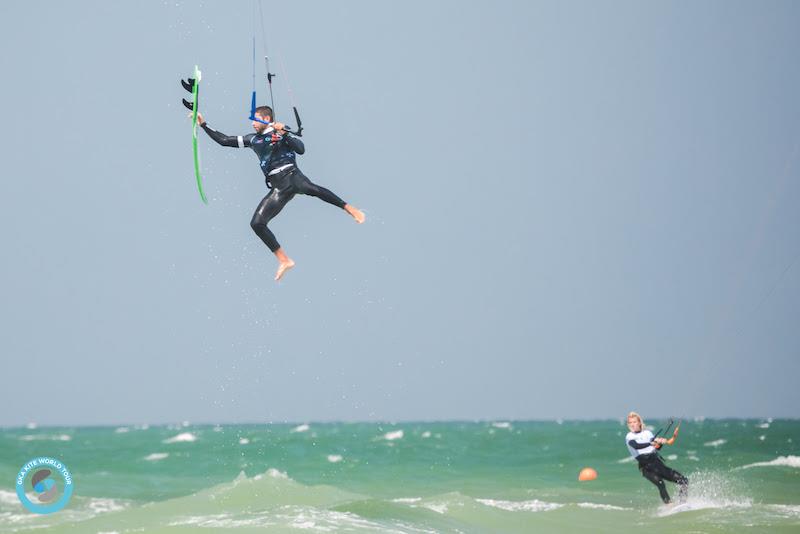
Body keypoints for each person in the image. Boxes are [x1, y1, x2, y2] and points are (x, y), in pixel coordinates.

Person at [193, 106, 365, 280]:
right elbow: (224, 140)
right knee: (256, 223)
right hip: (279, 188)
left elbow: (301, 149)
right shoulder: (252, 139)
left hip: (292, 176)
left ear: (266, 119)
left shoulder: (280, 133)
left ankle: (349, 208)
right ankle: (284, 260)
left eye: (256, 119)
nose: (252, 123)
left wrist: (285, 134)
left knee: (311, 189)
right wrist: (204, 124)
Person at [625, 411, 688, 504]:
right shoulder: (629, 436)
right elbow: (636, 446)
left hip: (657, 463)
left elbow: (657, 448)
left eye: (634, 422)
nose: (632, 424)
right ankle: (669, 505)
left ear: (639, 422)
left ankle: (682, 503)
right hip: (646, 468)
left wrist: (660, 443)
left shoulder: (647, 433)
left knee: (683, 480)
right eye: (630, 423)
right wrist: (650, 443)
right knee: (660, 484)